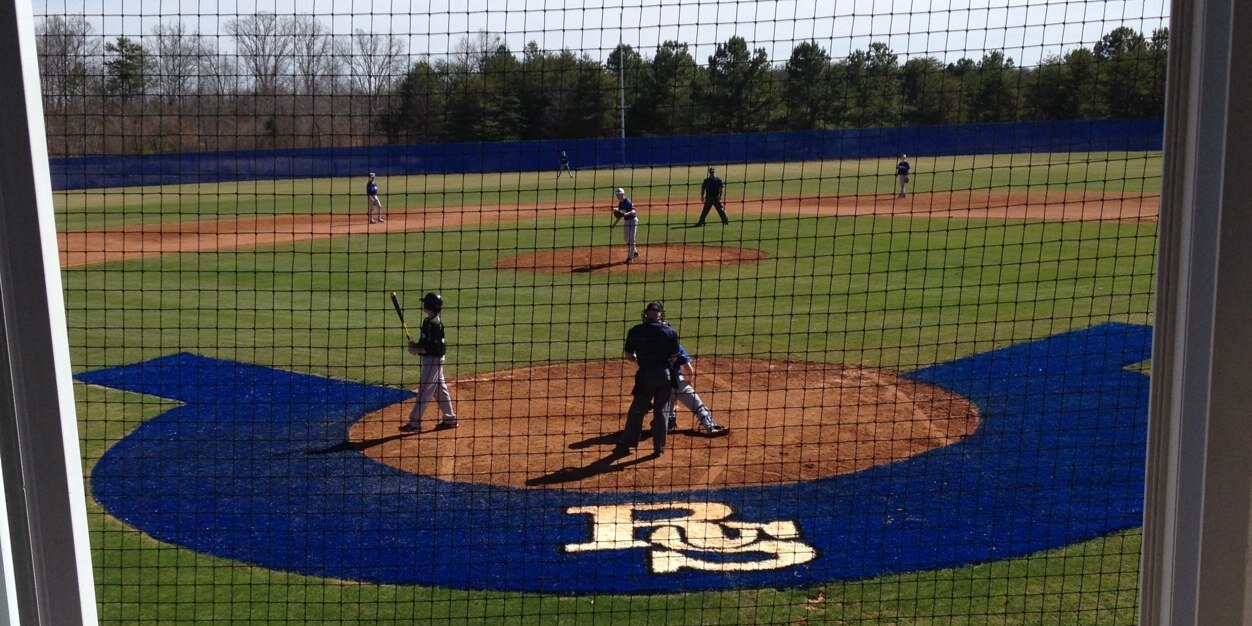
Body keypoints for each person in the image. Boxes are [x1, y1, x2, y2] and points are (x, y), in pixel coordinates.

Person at [615, 301, 680, 457]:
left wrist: (640, 359)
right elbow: (674, 356)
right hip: (665, 376)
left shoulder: (636, 330)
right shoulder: (670, 332)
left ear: (646, 314)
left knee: (637, 410)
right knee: (662, 412)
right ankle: (659, 449)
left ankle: (625, 445)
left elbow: (628, 355)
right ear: (661, 315)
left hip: (646, 376)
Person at [399, 292, 458, 432]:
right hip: (433, 360)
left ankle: (414, 423)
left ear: (429, 306)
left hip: (433, 360)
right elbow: (426, 343)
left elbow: (434, 348)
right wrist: (416, 346)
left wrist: (418, 350)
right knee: (439, 389)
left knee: (424, 391)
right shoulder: (428, 321)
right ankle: (450, 419)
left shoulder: (434, 324)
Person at [664, 342, 729, 436]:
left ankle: (667, 422)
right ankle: (711, 427)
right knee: (699, 407)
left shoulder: (655, 347)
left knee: (666, 404)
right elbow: (689, 369)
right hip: (679, 384)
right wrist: (689, 382)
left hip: (662, 386)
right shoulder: (676, 346)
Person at [608, 187, 640, 264]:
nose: (617, 196)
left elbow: (633, 211)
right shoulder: (620, 203)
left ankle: (630, 258)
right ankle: (635, 252)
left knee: (632, 239)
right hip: (627, 221)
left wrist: (626, 214)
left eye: (619, 194)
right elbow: (620, 214)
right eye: (617, 195)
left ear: (622, 194)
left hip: (633, 220)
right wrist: (614, 224)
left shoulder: (627, 201)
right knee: (626, 238)